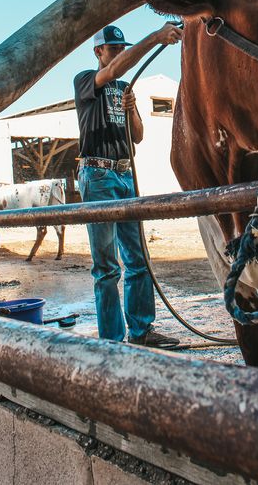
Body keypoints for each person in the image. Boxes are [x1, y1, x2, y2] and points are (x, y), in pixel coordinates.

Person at [74, 22, 183, 348]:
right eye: (115, 49)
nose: (120, 54)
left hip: (124, 173)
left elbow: (137, 135)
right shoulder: (85, 81)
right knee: (107, 265)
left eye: (123, 48)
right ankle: (112, 340)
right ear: (99, 52)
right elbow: (113, 71)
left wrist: (132, 109)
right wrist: (154, 37)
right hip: (98, 175)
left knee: (137, 259)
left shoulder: (123, 87)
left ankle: (141, 331)